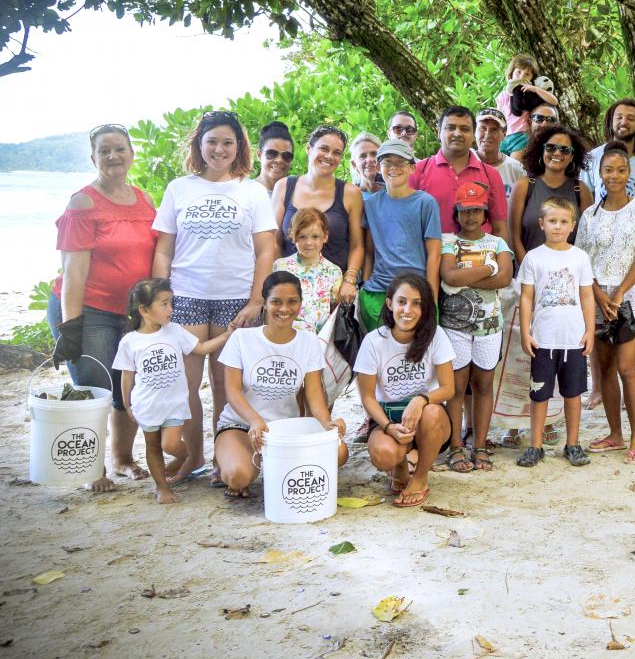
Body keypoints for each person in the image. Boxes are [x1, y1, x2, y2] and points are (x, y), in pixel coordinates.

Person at [152, 110, 278, 485]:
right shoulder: (179, 188)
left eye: (227, 142)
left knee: (227, 387)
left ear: (238, 147)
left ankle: (226, 462)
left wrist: (256, 300)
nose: (219, 149)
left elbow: (266, 250)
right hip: (186, 296)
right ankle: (193, 457)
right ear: (199, 145)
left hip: (236, 299)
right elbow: (163, 249)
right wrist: (161, 300)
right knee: (186, 386)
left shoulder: (252, 191)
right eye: (212, 142)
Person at [48, 124, 158, 491]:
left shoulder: (144, 201)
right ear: (93, 157)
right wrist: (71, 326)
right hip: (89, 309)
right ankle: (90, 470)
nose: (113, 156)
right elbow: (73, 273)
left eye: (119, 149)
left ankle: (123, 460)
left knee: (129, 388)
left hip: (131, 313)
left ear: (132, 154)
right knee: (95, 387)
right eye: (104, 151)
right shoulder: (83, 203)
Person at [213, 271, 347, 498]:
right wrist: (255, 421)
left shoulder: (308, 341)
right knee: (237, 476)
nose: (284, 309)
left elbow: (314, 394)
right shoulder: (242, 339)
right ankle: (235, 459)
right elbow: (232, 392)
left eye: (292, 301)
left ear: (300, 304)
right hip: (242, 426)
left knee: (340, 452)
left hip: (286, 431)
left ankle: (276, 462)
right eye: (276, 301)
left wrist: (327, 423)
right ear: (264, 303)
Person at [575, 141, 635, 464]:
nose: (614, 175)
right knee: (606, 369)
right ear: (600, 174)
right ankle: (615, 434)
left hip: (631, 295)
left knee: (626, 366)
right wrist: (597, 294)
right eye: (608, 170)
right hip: (596, 296)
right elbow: (582, 258)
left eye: (620, 170)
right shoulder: (588, 216)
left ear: (629, 173)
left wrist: (620, 290)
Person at [114, 278, 231, 503]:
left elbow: (201, 348)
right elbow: (127, 375)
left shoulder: (175, 331)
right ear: (144, 310)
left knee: (171, 444)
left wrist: (227, 335)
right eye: (164, 304)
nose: (171, 309)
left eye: (171, 303)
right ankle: (162, 488)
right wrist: (128, 403)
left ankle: (186, 456)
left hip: (175, 402)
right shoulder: (130, 341)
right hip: (147, 404)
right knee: (153, 447)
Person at [354, 273, 456, 507]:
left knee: (431, 411)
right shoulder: (373, 341)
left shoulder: (436, 336)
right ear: (390, 304)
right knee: (384, 454)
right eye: (402, 302)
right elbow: (367, 397)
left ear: (425, 308)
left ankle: (420, 478)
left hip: (428, 421)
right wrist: (388, 427)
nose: (408, 310)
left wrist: (420, 400)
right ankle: (399, 465)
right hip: (387, 417)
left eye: (417, 303)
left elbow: (448, 388)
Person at [516, 196, 597, 468]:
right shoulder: (533, 258)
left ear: (572, 225)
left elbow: (586, 295)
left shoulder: (580, 257)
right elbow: (526, 297)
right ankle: (535, 446)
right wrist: (526, 332)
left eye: (563, 222)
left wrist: (590, 330)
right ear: (542, 224)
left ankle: (572, 444)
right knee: (539, 394)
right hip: (543, 339)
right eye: (552, 221)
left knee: (573, 394)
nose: (558, 227)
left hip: (573, 339)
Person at [438, 182, 513, 474]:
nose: (471, 216)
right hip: (454, 327)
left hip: (489, 326)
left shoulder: (498, 244)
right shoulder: (448, 242)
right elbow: (448, 276)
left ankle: (479, 444)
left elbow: (504, 279)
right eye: (465, 210)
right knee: (456, 388)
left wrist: (464, 276)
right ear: (457, 212)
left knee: (483, 386)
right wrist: (488, 269)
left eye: (476, 210)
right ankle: (456, 446)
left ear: (485, 212)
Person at [272, 125, 363, 305]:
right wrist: (277, 279)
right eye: (324, 148)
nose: (329, 156)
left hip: (332, 292)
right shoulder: (284, 186)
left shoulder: (350, 193)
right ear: (309, 149)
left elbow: (357, 245)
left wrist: (349, 280)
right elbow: (274, 240)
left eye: (337, 152)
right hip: (289, 290)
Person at [360, 139, 443, 331]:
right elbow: (369, 251)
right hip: (378, 292)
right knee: (380, 355)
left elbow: (434, 255)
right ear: (379, 168)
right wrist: (364, 285)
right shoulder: (371, 204)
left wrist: (431, 300)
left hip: (416, 292)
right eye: (387, 163)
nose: (393, 168)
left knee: (416, 354)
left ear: (412, 168)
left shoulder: (426, 203)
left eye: (400, 163)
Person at [409, 106, 510, 243]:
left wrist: (502, 261)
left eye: (464, 129)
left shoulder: (490, 175)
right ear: (439, 132)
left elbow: (500, 228)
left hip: (480, 260)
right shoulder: (417, 171)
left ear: (473, 134)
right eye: (450, 128)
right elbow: (407, 225)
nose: (457, 133)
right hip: (431, 260)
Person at [508, 125, 593, 262]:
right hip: (529, 276)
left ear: (572, 156)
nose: (557, 153)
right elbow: (514, 237)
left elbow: (588, 239)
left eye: (565, 150)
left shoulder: (581, 190)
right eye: (551, 147)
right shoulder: (524, 186)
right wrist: (529, 272)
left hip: (568, 275)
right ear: (541, 151)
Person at [272, 208, 343, 333]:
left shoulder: (334, 271)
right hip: (286, 335)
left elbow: (334, 311)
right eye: (302, 237)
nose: (309, 242)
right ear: (293, 236)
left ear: (325, 237)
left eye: (315, 236)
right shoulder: (280, 266)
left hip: (319, 340)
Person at [581, 98, 635, 199]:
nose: (623, 122)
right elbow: (585, 199)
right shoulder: (592, 157)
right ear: (611, 122)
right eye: (619, 117)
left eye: (630, 119)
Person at [496, 54, 556, 155]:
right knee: (497, 164)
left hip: (522, 136)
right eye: (518, 72)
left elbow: (554, 101)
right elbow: (499, 117)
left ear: (532, 78)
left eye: (527, 74)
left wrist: (536, 89)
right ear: (511, 74)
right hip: (505, 137)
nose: (522, 76)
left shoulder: (531, 94)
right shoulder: (502, 96)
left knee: (515, 165)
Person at [476, 107, 527, 193]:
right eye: (483, 128)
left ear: (504, 134)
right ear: (474, 131)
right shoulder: (462, 163)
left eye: (494, 129)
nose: (487, 134)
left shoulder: (516, 169)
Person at [255, 121, 294, 197]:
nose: (279, 160)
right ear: (259, 155)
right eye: (272, 153)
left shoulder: (298, 193)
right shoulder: (244, 191)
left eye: (286, 155)